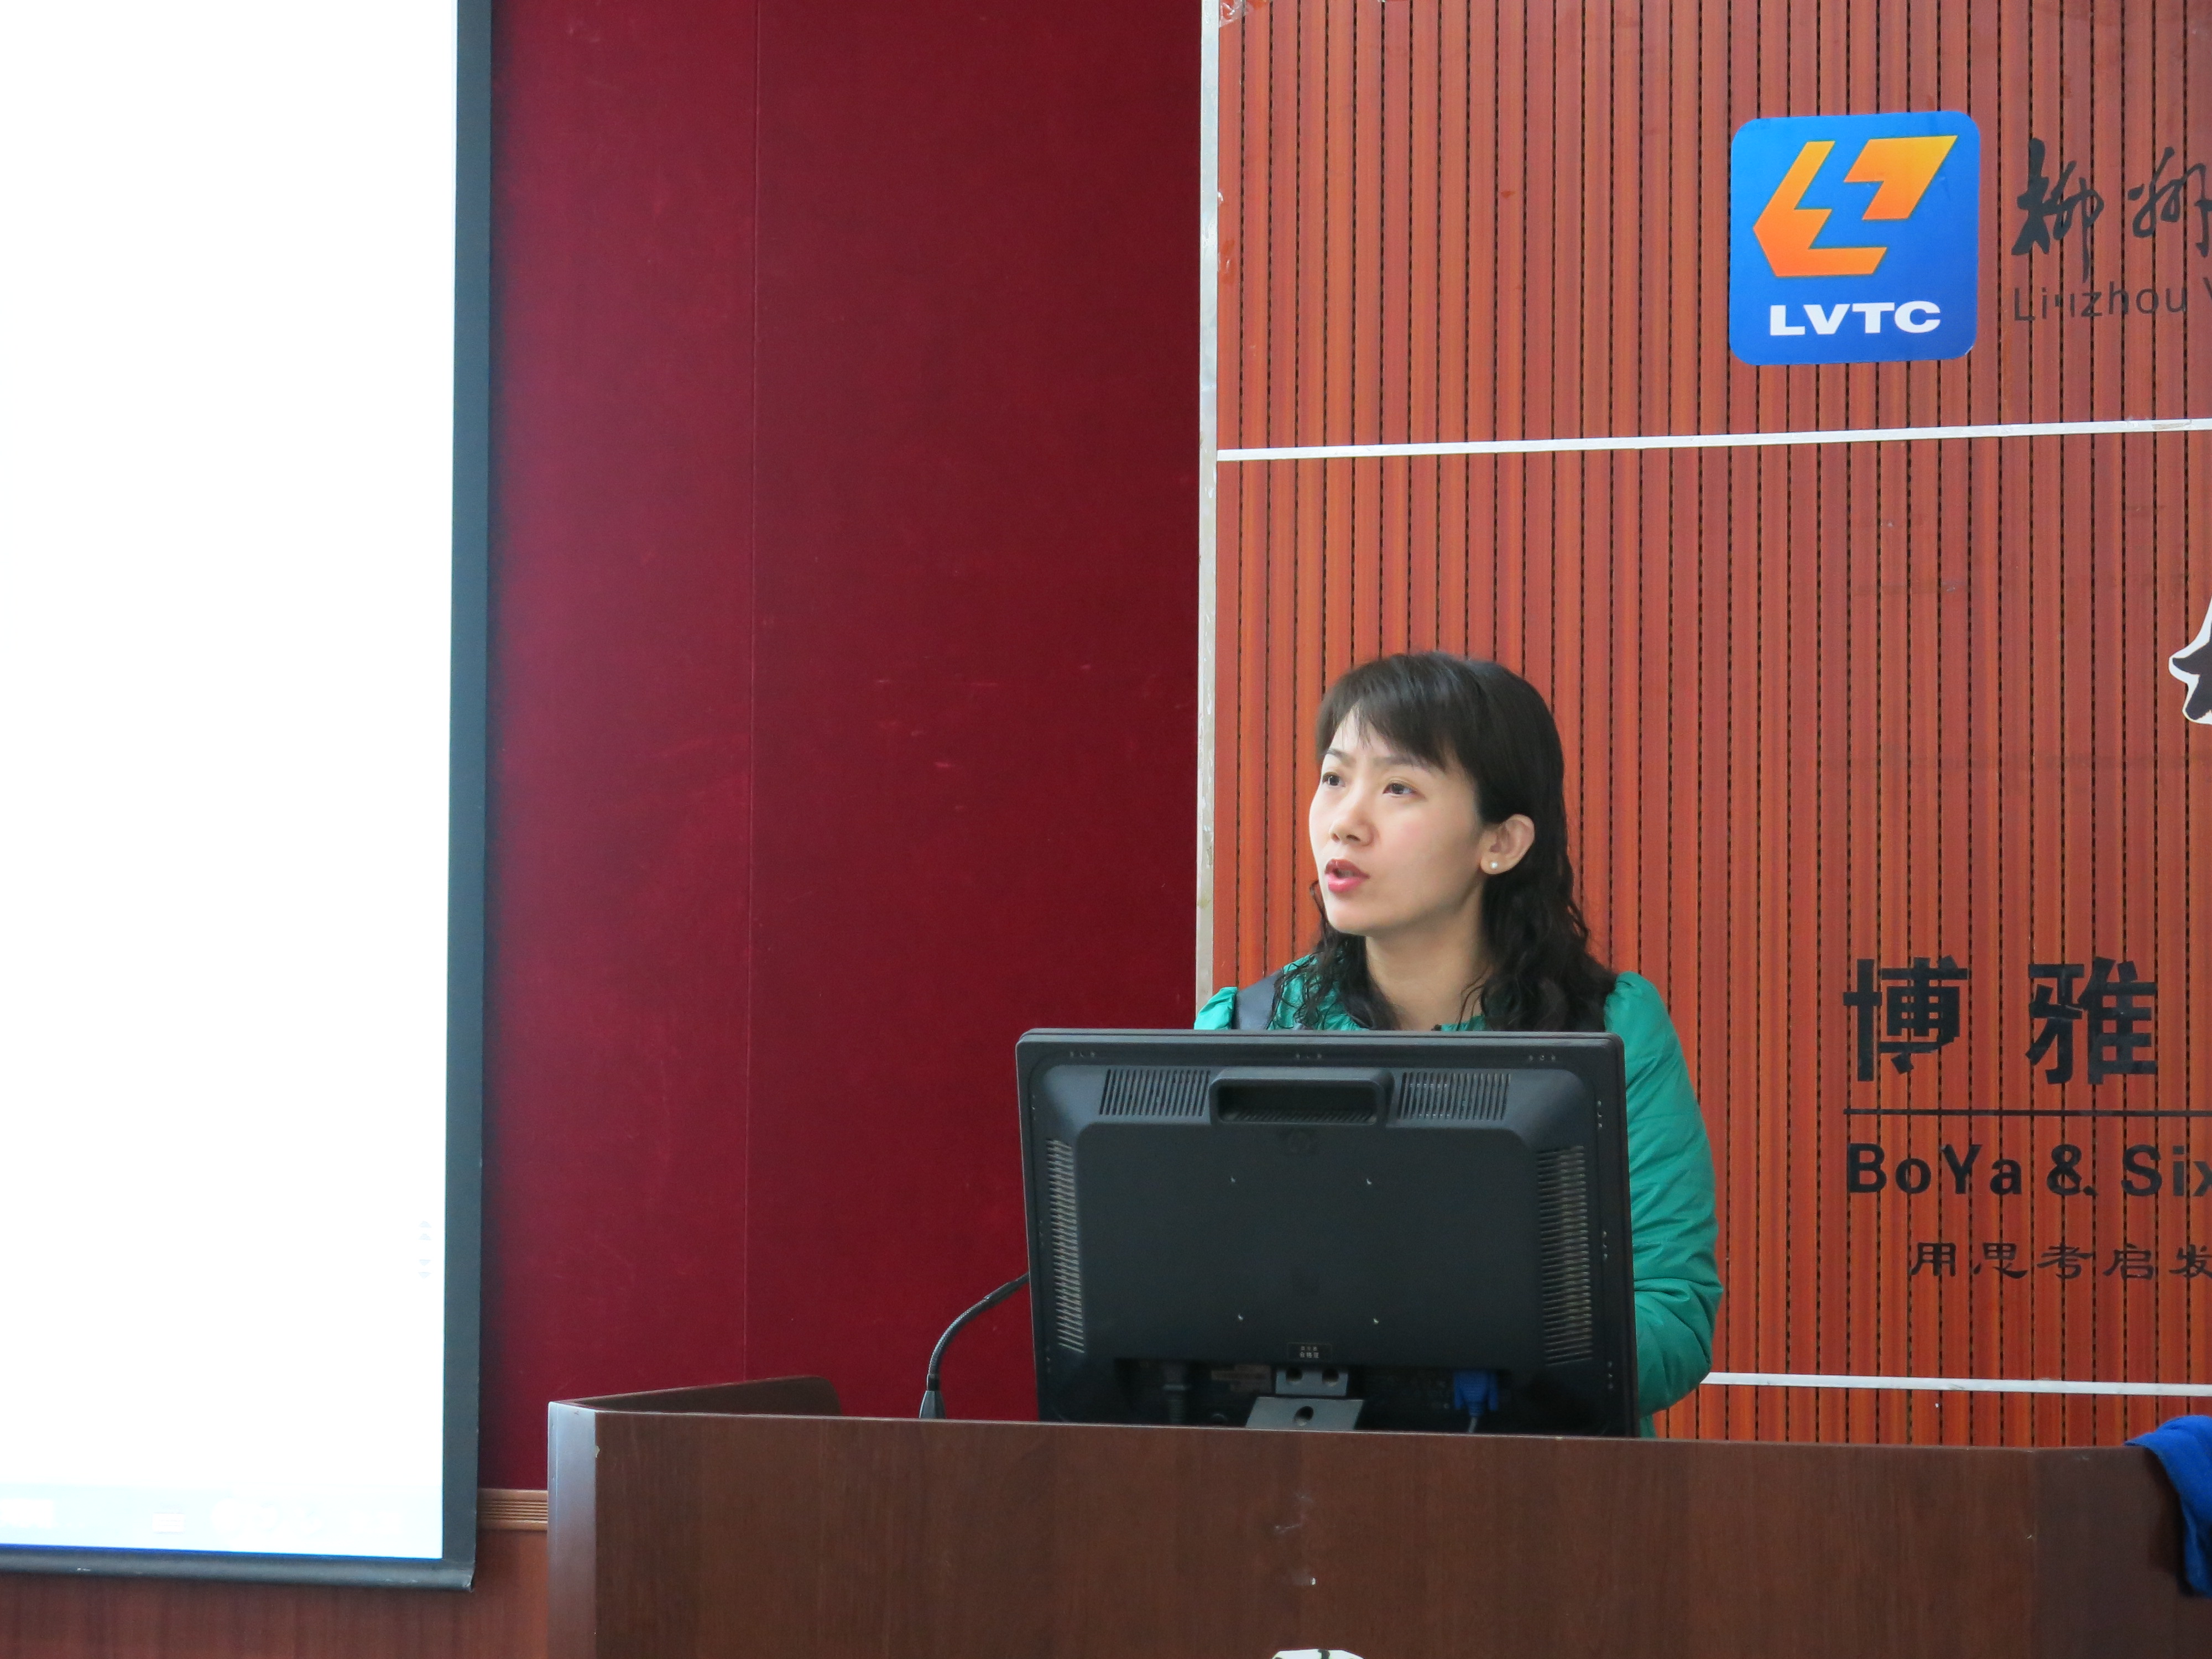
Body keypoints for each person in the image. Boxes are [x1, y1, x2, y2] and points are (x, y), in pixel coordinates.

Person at [1196, 651, 1720, 1424]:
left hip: (1543, 1477)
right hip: (1303, 1473)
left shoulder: (1609, 1029)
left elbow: (1671, 1316)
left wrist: (1473, 1352)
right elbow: (1187, 1305)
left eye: (1399, 788)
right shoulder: (1246, 1029)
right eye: (1335, 778)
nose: (1345, 821)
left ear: (1501, 841)